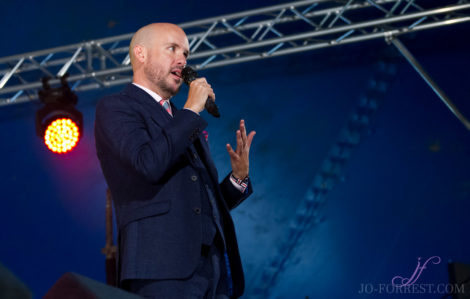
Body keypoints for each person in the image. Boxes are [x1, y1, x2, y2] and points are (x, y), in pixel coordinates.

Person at [94, 23, 256, 299]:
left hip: (212, 271)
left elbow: (197, 204)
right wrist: (192, 109)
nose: (182, 60)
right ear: (141, 54)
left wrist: (237, 179)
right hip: (161, 269)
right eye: (172, 49)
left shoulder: (181, 118)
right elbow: (148, 164)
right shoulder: (117, 107)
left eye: (186, 53)